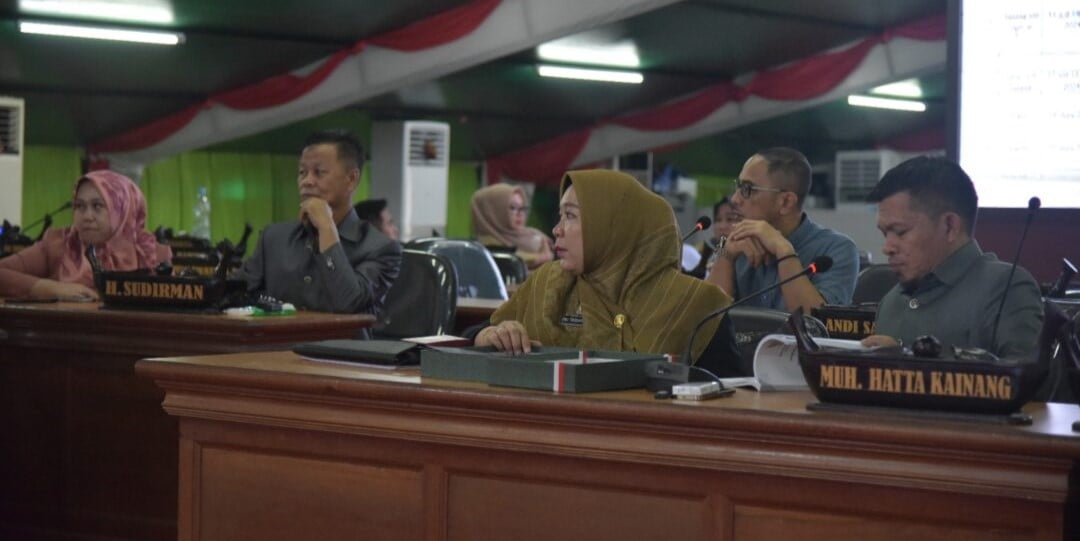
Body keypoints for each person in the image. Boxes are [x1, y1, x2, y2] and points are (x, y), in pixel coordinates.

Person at [475, 169, 741, 375]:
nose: (557, 229)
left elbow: (736, 397)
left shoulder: (695, 306)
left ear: (614, 227)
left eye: (570, 216)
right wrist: (490, 336)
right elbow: (474, 336)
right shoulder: (547, 284)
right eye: (560, 216)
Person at [861, 157, 1043, 359]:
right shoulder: (891, 303)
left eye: (900, 232)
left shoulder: (1005, 288)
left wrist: (907, 358)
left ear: (949, 226)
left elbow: (1024, 375)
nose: (887, 248)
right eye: (885, 234)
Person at [241, 130, 401, 332]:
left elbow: (349, 302)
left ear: (351, 179)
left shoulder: (381, 248)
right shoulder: (273, 238)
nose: (307, 181)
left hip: (342, 350)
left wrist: (326, 227)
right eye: (302, 172)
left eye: (319, 172)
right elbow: (237, 292)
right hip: (275, 346)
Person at [706, 148, 858, 313]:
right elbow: (705, 322)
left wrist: (784, 251)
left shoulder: (836, 249)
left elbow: (817, 322)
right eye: (738, 187)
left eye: (747, 189)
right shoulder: (738, 244)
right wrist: (726, 256)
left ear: (786, 202)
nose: (735, 199)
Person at [0, 170, 171, 300]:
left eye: (97, 206)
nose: (87, 216)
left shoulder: (152, 254)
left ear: (123, 210)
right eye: (80, 206)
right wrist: (54, 289)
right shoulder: (59, 244)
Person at [471, 183, 553, 270]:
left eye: (522, 208)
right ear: (492, 213)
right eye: (513, 208)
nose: (520, 214)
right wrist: (543, 257)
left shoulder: (536, 237)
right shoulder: (484, 250)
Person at [689, 196, 739, 278]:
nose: (722, 226)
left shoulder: (746, 256)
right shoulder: (702, 251)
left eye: (730, 219)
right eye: (718, 220)